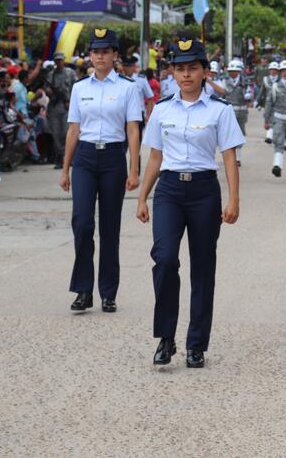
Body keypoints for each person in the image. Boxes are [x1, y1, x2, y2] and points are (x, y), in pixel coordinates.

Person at [136, 38, 243, 368]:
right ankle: (165, 338)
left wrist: (233, 199)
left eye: (192, 69)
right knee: (165, 260)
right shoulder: (163, 109)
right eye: (180, 69)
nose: (186, 75)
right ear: (172, 72)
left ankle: (196, 343)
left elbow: (228, 157)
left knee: (203, 267)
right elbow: (155, 155)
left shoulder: (219, 111)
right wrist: (142, 196)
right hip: (168, 190)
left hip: (203, 192)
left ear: (205, 73)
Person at [58, 28, 142, 313]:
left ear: (115, 55)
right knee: (82, 223)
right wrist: (65, 168)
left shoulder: (128, 88)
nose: (100, 56)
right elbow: (73, 130)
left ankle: (108, 292)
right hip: (84, 157)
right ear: (90, 55)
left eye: (106, 51)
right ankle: (83, 290)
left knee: (109, 227)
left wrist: (134, 170)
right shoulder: (80, 88)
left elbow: (133, 129)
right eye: (96, 52)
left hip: (113, 159)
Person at [48, 52, 77, 169]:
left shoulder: (70, 73)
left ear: (64, 60)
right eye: (56, 60)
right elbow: (46, 88)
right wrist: (48, 91)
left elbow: (76, 88)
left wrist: (71, 101)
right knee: (56, 133)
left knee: (67, 133)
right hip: (54, 106)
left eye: (60, 60)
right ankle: (60, 158)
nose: (58, 62)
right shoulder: (51, 75)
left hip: (67, 106)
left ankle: (70, 158)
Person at [223, 59, 252, 166]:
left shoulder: (245, 82)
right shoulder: (225, 81)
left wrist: (249, 96)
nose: (232, 73)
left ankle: (238, 157)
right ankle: (231, 157)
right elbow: (222, 95)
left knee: (240, 135)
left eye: (234, 71)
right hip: (229, 112)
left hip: (241, 111)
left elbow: (249, 96)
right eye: (230, 71)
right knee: (229, 135)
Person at [258, 62, 279, 143]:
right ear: (269, 70)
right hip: (268, 102)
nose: (273, 71)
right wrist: (257, 100)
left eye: (275, 70)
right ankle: (269, 136)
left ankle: (272, 135)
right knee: (267, 116)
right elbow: (261, 91)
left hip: (278, 101)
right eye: (272, 70)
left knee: (276, 118)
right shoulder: (266, 79)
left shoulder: (280, 79)